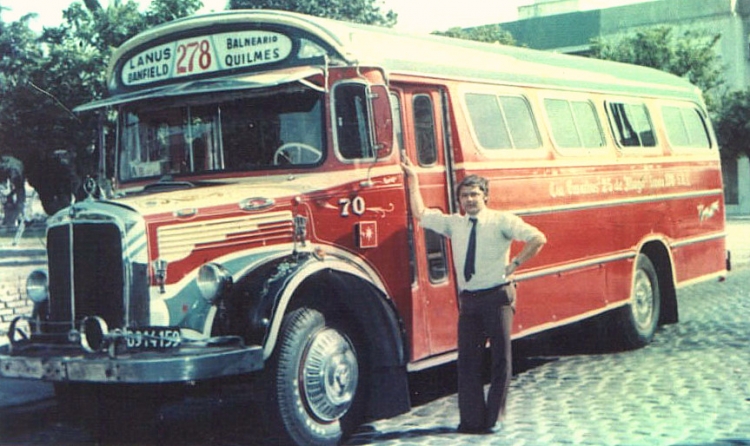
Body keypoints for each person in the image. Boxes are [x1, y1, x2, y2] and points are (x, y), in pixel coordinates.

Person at [402, 159, 546, 434]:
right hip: (470, 301)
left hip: (498, 297)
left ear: (485, 196)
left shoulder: (502, 221)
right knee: (467, 362)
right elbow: (420, 212)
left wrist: (515, 264)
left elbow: (538, 238)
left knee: (500, 360)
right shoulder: (455, 224)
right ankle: (471, 420)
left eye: (474, 194)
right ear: (459, 200)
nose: (469, 200)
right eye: (464, 196)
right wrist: (412, 178)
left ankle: (494, 419)